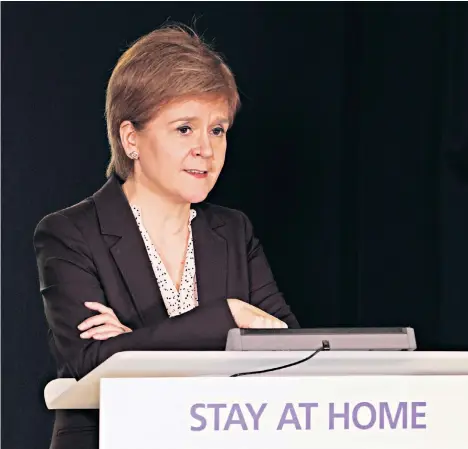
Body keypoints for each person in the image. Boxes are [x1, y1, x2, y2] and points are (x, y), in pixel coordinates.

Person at [33, 24, 299, 449]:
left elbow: (287, 350)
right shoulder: (69, 234)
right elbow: (91, 363)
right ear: (130, 138)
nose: (207, 150)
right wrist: (229, 317)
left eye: (217, 129)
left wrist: (130, 344)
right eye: (184, 129)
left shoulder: (232, 231)